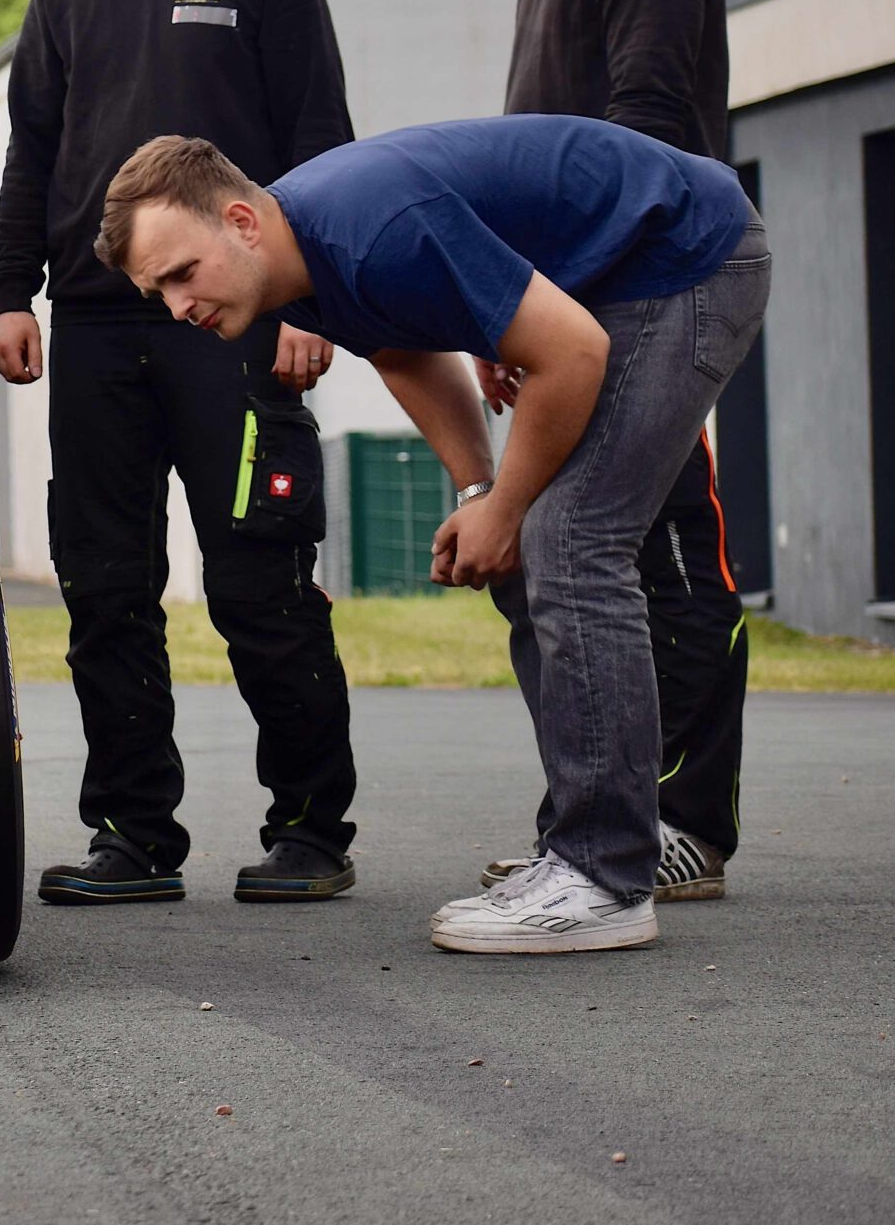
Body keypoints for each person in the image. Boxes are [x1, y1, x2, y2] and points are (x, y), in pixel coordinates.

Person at [98, 121, 769, 952]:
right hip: (609, 273)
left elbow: (570, 350)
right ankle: (585, 843)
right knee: (534, 548)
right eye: (156, 292)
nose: (177, 307)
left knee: (568, 539)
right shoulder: (297, 267)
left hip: (688, 255)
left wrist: (508, 504)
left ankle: (604, 876)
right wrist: (480, 490)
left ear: (240, 222)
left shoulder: (369, 231)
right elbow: (405, 353)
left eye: (180, 274)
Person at [0, 0, 359, 906]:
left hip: (238, 328)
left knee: (260, 585)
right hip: (95, 331)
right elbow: (33, 147)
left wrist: (312, 305)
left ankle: (308, 830)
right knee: (104, 590)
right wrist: (9, 292)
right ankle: (133, 836)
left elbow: (319, 146)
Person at [457, 0, 746, 904]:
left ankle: (685, 826)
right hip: (560, 304)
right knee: (556, 556)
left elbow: (646, 121)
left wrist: (557, 291)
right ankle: (593, 821)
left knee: (654, 555)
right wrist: (506, 304)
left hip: (645, 291)